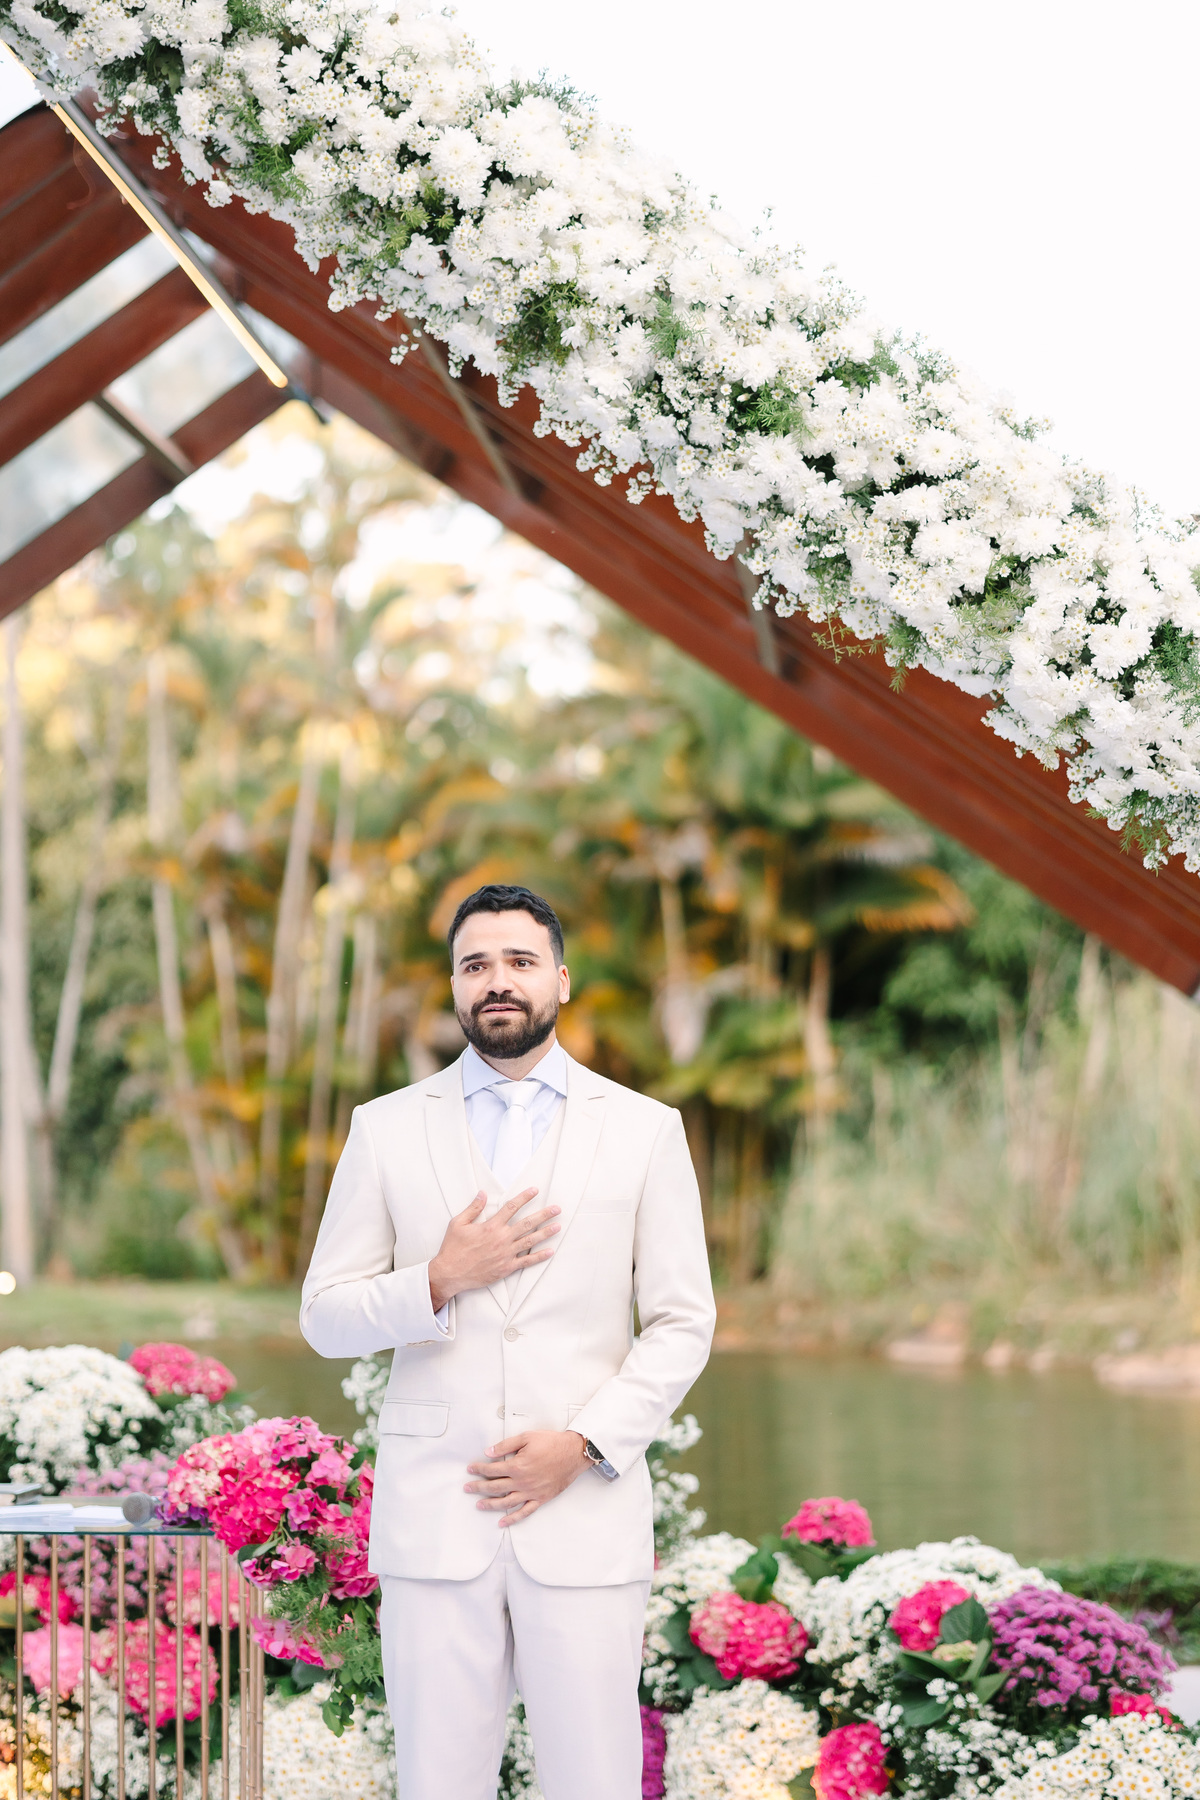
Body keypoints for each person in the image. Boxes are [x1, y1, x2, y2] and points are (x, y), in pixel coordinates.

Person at [300, 882, 716, 1800]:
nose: (498, 980)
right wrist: (437, 1278)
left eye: (520, 961)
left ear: (560, 980)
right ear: (454, 986)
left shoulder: (646, 1130)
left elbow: (684, 1322)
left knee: (594, 1782)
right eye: (475, 964)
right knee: (437, 1784)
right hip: (434, 1517)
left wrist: (587, 1443)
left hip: (585, 1513)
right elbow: (324, 1315)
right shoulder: (385, 1128)